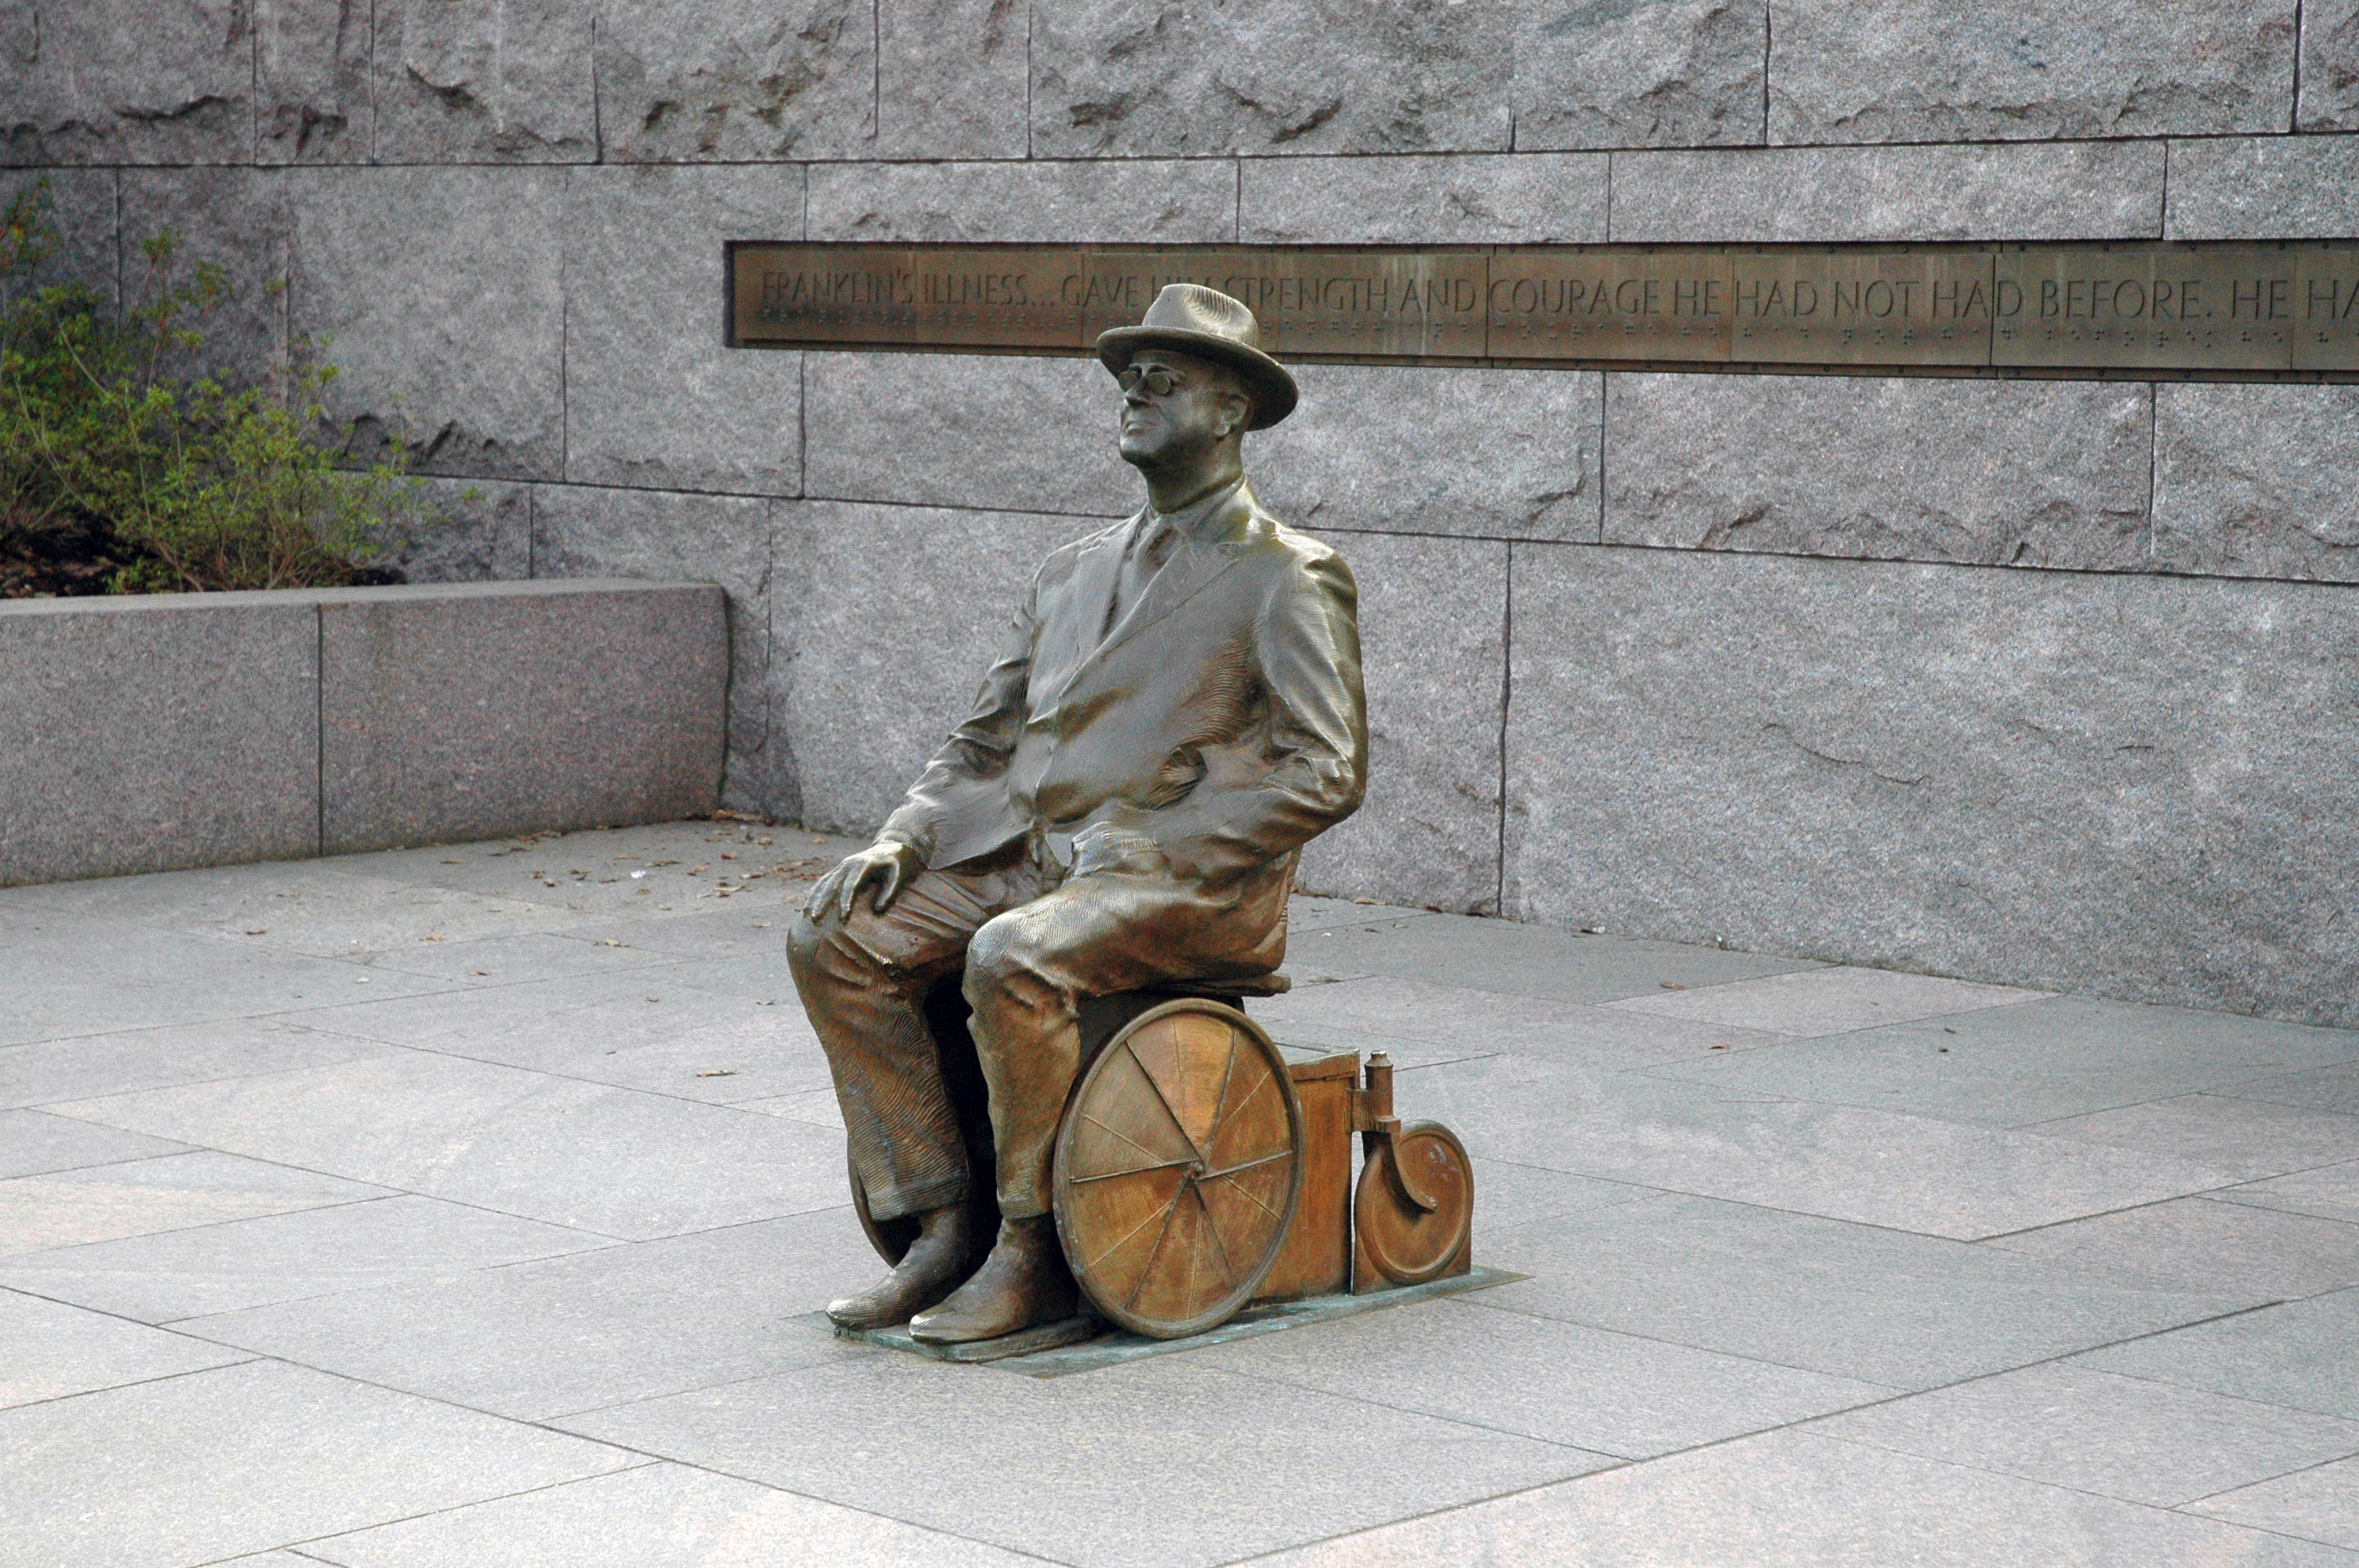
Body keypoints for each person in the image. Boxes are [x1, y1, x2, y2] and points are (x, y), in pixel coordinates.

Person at [787, 283, 1367, 1345]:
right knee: (836, 938)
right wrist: (904, 835)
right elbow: (982, 742)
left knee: (1013, 954)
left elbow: (1325, 770)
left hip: (1175, 881)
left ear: (1232, 411)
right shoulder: (1069, 572)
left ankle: (1032, 1250)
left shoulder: (1286, 576)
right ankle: (942, 1219)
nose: (1134, 392)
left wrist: (1162, 839)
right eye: (1128, 379)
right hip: (1028, 857)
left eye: (1164, 379)